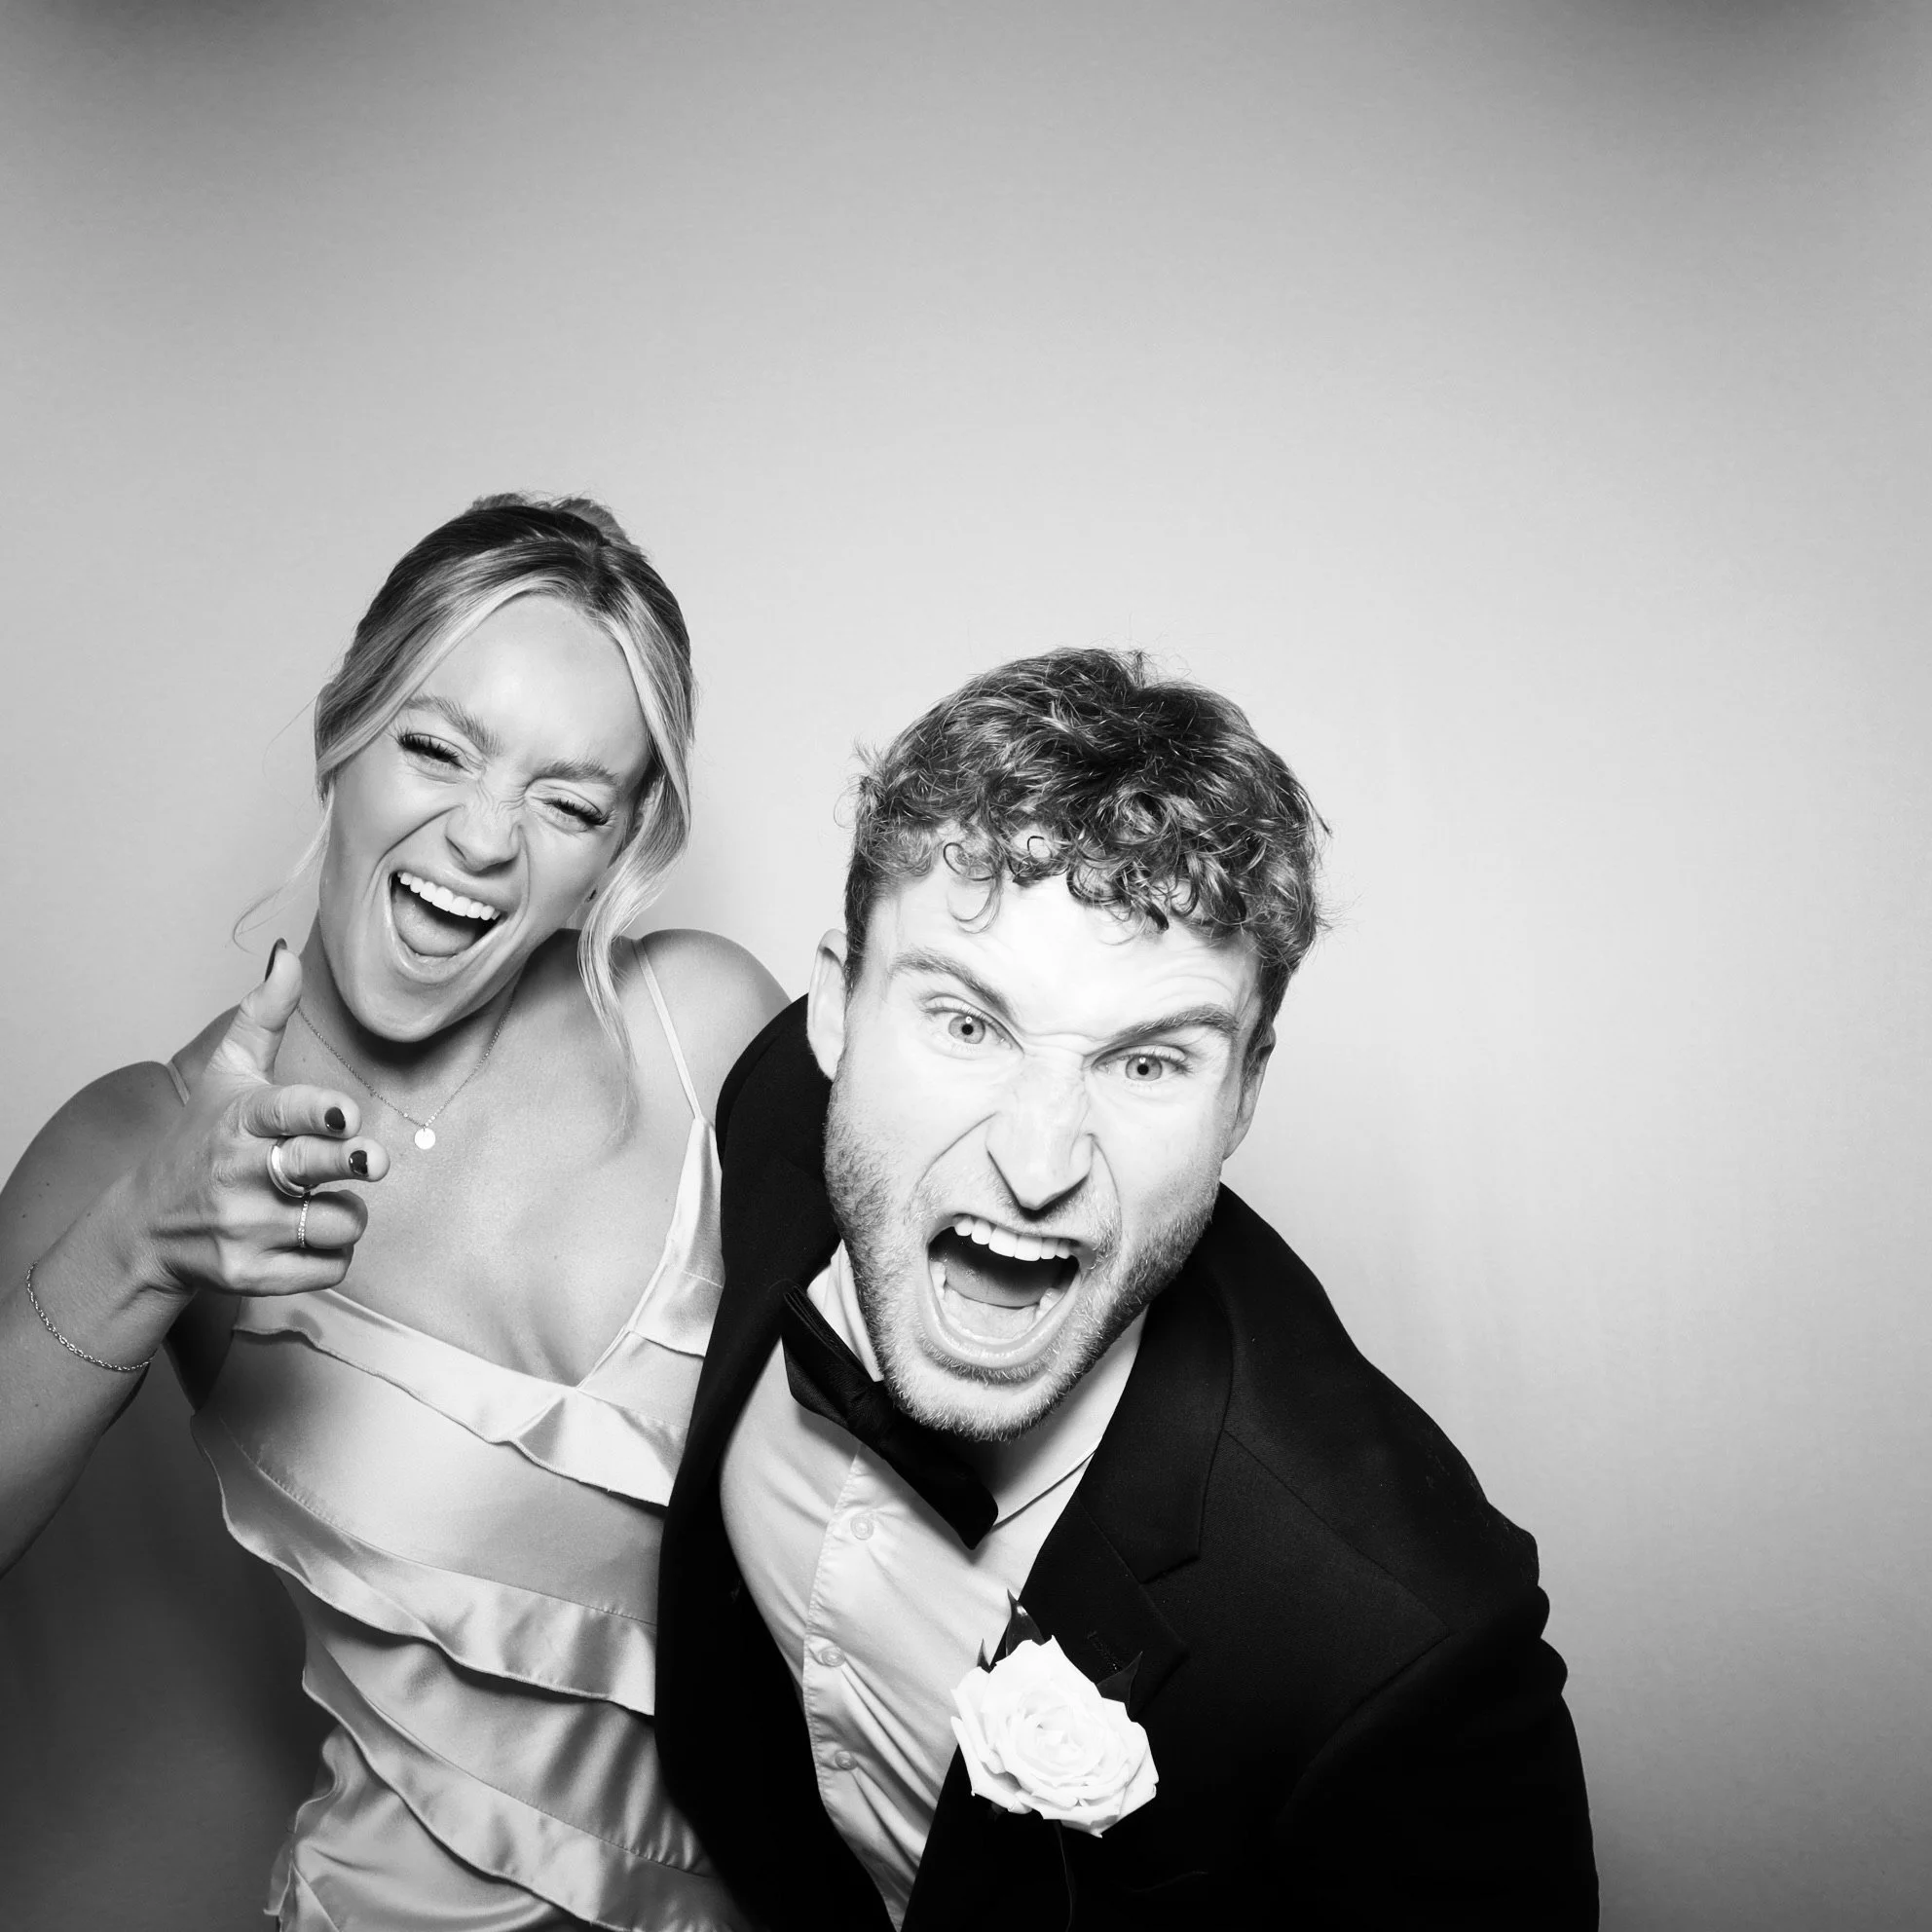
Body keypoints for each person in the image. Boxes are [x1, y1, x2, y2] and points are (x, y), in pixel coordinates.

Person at [656, 650, 1598, 1929]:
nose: (1038, 1163)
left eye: (1148, 1063)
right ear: (836, 1010)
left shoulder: (1406, 1660)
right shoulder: (771, 1104)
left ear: (1243, 1095)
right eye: (968, 1025)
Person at [0, 495, 786, 1931]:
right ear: (343, 732)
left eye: (568, 802)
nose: (483, 837)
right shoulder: (142, 1139)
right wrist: (139, 1248)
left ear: (618, 848)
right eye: (437, 746)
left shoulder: (708, 1031)